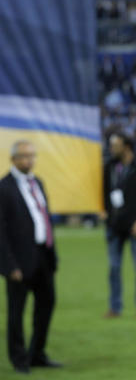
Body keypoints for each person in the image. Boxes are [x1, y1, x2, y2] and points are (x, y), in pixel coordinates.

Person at [0, 141, 61, 373]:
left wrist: (52, 253)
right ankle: (19, 359)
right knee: (17, 310)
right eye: (25, 156)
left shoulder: (38, 183)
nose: (29, 160)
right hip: (19, 259)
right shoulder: (4, 188)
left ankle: (37, 353)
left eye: (32, 156)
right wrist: (8, 265)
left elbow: (43, 218)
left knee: (46, 305)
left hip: (43, 255)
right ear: (13, 159)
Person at [103, 132, 136, 318]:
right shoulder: (108, 167)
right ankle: (115, 307)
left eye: (115, 145)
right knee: (114, 268)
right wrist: (103, 211)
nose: (111, 149)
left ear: (126, 147)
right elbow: (103, 193)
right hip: (114, 226)